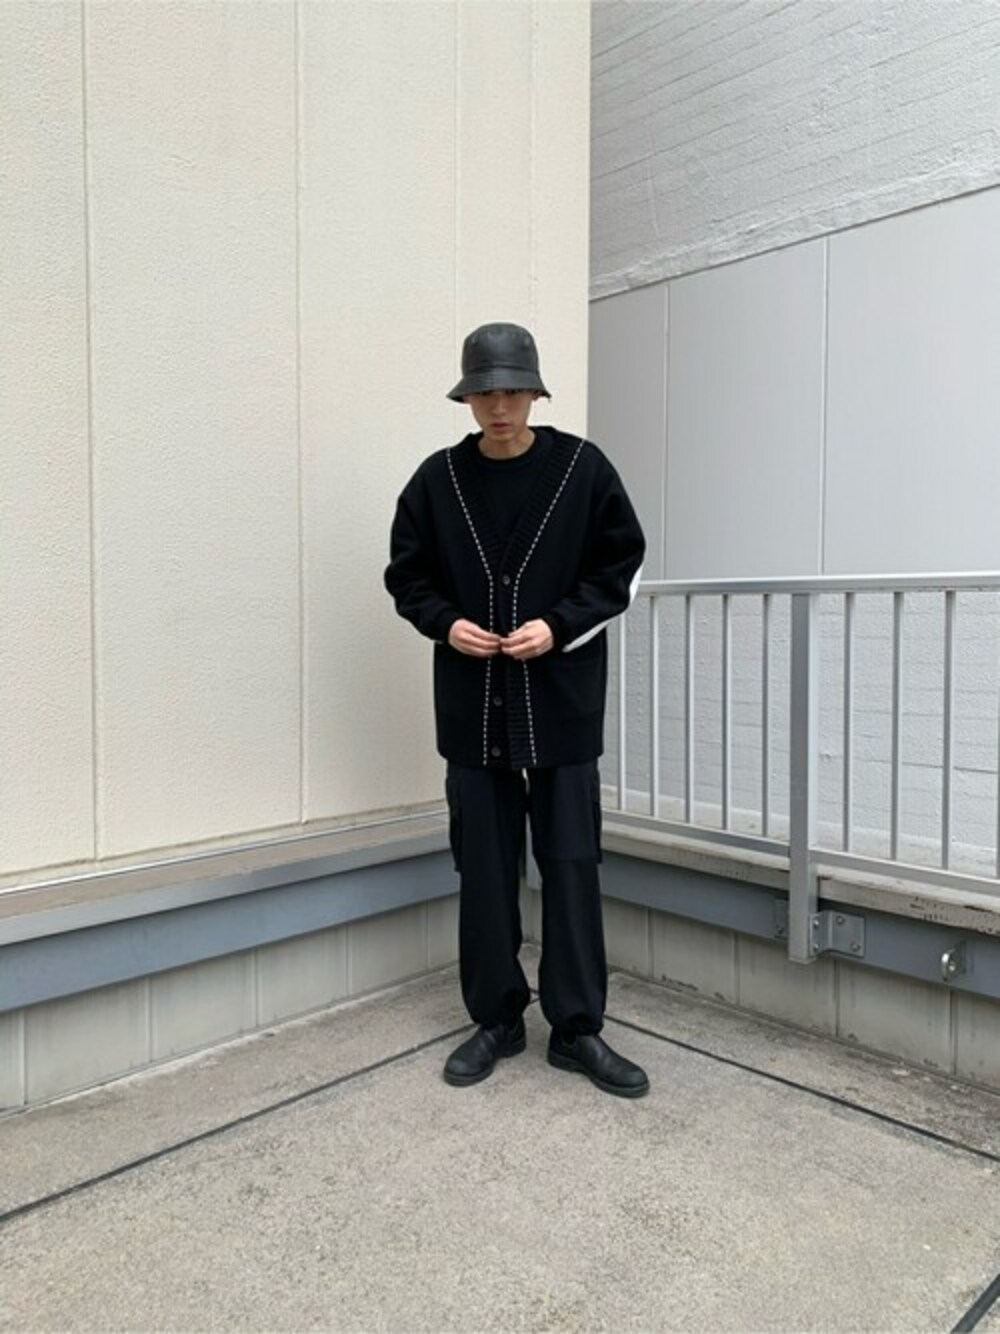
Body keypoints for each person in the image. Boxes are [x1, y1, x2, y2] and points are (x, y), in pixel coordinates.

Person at [383, 321, 649, 1098]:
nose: (499, 408)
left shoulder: (582, 471)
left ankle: (576, 1029)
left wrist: (559, 625)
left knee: (571, 863)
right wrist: (445, 623)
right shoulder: (437, 482)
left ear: (534, 393)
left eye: (511, 391)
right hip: (474, 706)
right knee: (486, 868)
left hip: (561, 704)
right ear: (466, 399)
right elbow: (408, 576)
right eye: (484, 394)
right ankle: (497, 1019)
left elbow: (620, 566)